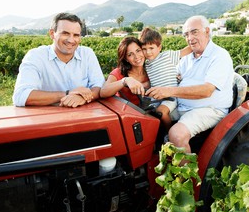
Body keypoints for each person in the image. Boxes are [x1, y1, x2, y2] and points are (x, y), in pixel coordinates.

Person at [146, 15, 234, 154]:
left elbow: (206, 90)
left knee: (177, 134)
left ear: (207, 31)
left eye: (194, 32)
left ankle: (187, 175)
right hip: (182, 107)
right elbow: (174, 76)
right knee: (147, 120)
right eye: (186, 34)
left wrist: (169, 91)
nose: (190, 38)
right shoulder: (188, 58)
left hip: (210, 109)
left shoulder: (219, 56)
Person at [12, 12, 105, 108]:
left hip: (84, 116)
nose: (71, 40)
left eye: (76, 35)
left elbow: (100, 88)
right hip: (48, 118)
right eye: (65, 33)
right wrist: (67, 94)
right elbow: (21, 96)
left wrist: (82, 98)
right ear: (52, 34)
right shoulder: (35, 56)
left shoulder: (87, 54)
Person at [139, 27, 192, 130]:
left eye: (151, 48)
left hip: (170, 96)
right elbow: (154, 80)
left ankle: (168, 133)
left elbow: (187, 50)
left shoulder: (167, 56)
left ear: (159, 47)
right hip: (156, 97)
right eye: (144, 49)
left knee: (161, 112)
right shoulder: (147, 65)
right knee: (144, 113)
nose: (148, 52)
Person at [100, 36, 149, 106]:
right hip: (128, 114)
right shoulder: (118, 73)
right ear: (126, 59)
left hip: (152, 112)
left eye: (138, 51)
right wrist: (125, 81)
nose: (136, 56)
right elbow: (103, 92)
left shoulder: (151, 69)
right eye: (130, 54)